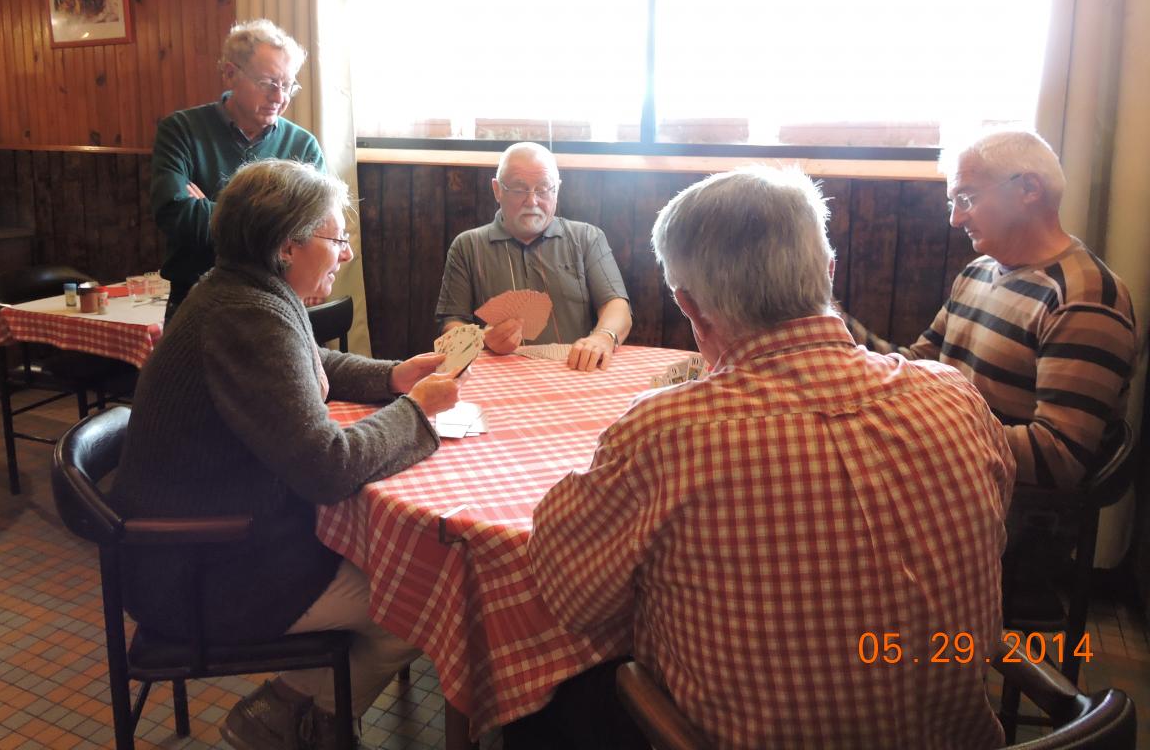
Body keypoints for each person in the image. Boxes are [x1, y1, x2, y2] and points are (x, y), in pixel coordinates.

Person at [520, 166, 1015, 749]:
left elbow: (569, 597)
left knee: (545, 706)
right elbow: (995, 526)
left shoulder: (665, 433)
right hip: (961, 738)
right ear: (829, 275)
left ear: (690, 307)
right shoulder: (955, 397)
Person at [109, 159, 460, 750]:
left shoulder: (239, 290)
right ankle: (300, 718)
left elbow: (308, 365)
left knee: (404, 575)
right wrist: (417, 411)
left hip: (210, 544)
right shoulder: (247, 314)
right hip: (202, 569)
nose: (345, 253)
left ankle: (290, 711)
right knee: (425, 601)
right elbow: (326, 468)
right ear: (286, 246)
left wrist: (395, 376)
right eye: (336, 238)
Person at [841, 130, 1136, 491]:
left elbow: (1059, 457)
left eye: (967, 198)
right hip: (962, 477)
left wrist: (933, 433)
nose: (955, 219)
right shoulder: (978, 272)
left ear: (1029, 189)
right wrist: (830, 316)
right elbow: (919, 365)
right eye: (954, 203)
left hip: (1015, 513)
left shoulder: (1084, 298)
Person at [150, 18, 324, 319]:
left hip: (275, 305)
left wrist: (210, 209)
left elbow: (311, 233)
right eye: (268, 83)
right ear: (231, 74)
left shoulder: (302, 146)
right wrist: (271, 226)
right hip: (194, 304)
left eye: (287, 85)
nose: (279, 97)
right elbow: (174, 215)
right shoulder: (181, 131)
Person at [435, 142, 632, 371]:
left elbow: (617, 307)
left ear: (557, 189)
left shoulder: (587, 238)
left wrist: (603, 337)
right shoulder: (467, 246)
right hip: (497, 377)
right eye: (519, 189)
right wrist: (482, 339)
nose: (532, 201)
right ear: (497, 190)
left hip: (575, 371)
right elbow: (450, 324)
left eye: (543, 188)